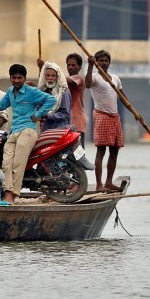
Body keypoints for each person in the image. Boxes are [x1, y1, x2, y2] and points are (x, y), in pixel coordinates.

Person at [0, 63, 56, 203]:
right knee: (6, 164)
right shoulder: (10, 92)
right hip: (14, 131)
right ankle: (7, 192)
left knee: (18, 164)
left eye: (19, 78)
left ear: (24, 78)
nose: (16, 80)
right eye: (14, 78)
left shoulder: (30, 91)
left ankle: (12, 195)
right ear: (10, 78)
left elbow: (51, 99)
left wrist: (38, 114)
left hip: (27, 131)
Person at [86, 49, 124, 192]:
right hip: (101, 115)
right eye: (100, 60)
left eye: (105, 60)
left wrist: (135, 113)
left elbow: (122, 95)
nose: (103, 63)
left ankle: (109, 182)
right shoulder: (95, 77)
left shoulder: (115, 78)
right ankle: (99, 184)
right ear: (96, 62)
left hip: (115, 116)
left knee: (114, 151)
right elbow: (87, 84)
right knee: (101, 151)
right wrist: (90, 66)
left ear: (109, 62)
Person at [38, 54, 87, 140]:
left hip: (75, 121)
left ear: (79, 67)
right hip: (53, 127)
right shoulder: (49, 90)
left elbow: (62, 81)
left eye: (73, 65)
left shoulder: (76, 80)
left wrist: (45, 68)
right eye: (68, 65)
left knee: (77, 151)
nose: (70, 67)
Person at [37, 61, 72, 131]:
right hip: (45, 128)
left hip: (60, 129)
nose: (50, 78)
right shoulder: (43, 92)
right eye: (48, 75)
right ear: (45, 77)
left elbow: (65, 114)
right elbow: (38, 108)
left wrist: (47, 115)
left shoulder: (63, 92)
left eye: (53, 76)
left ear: (57, 77)